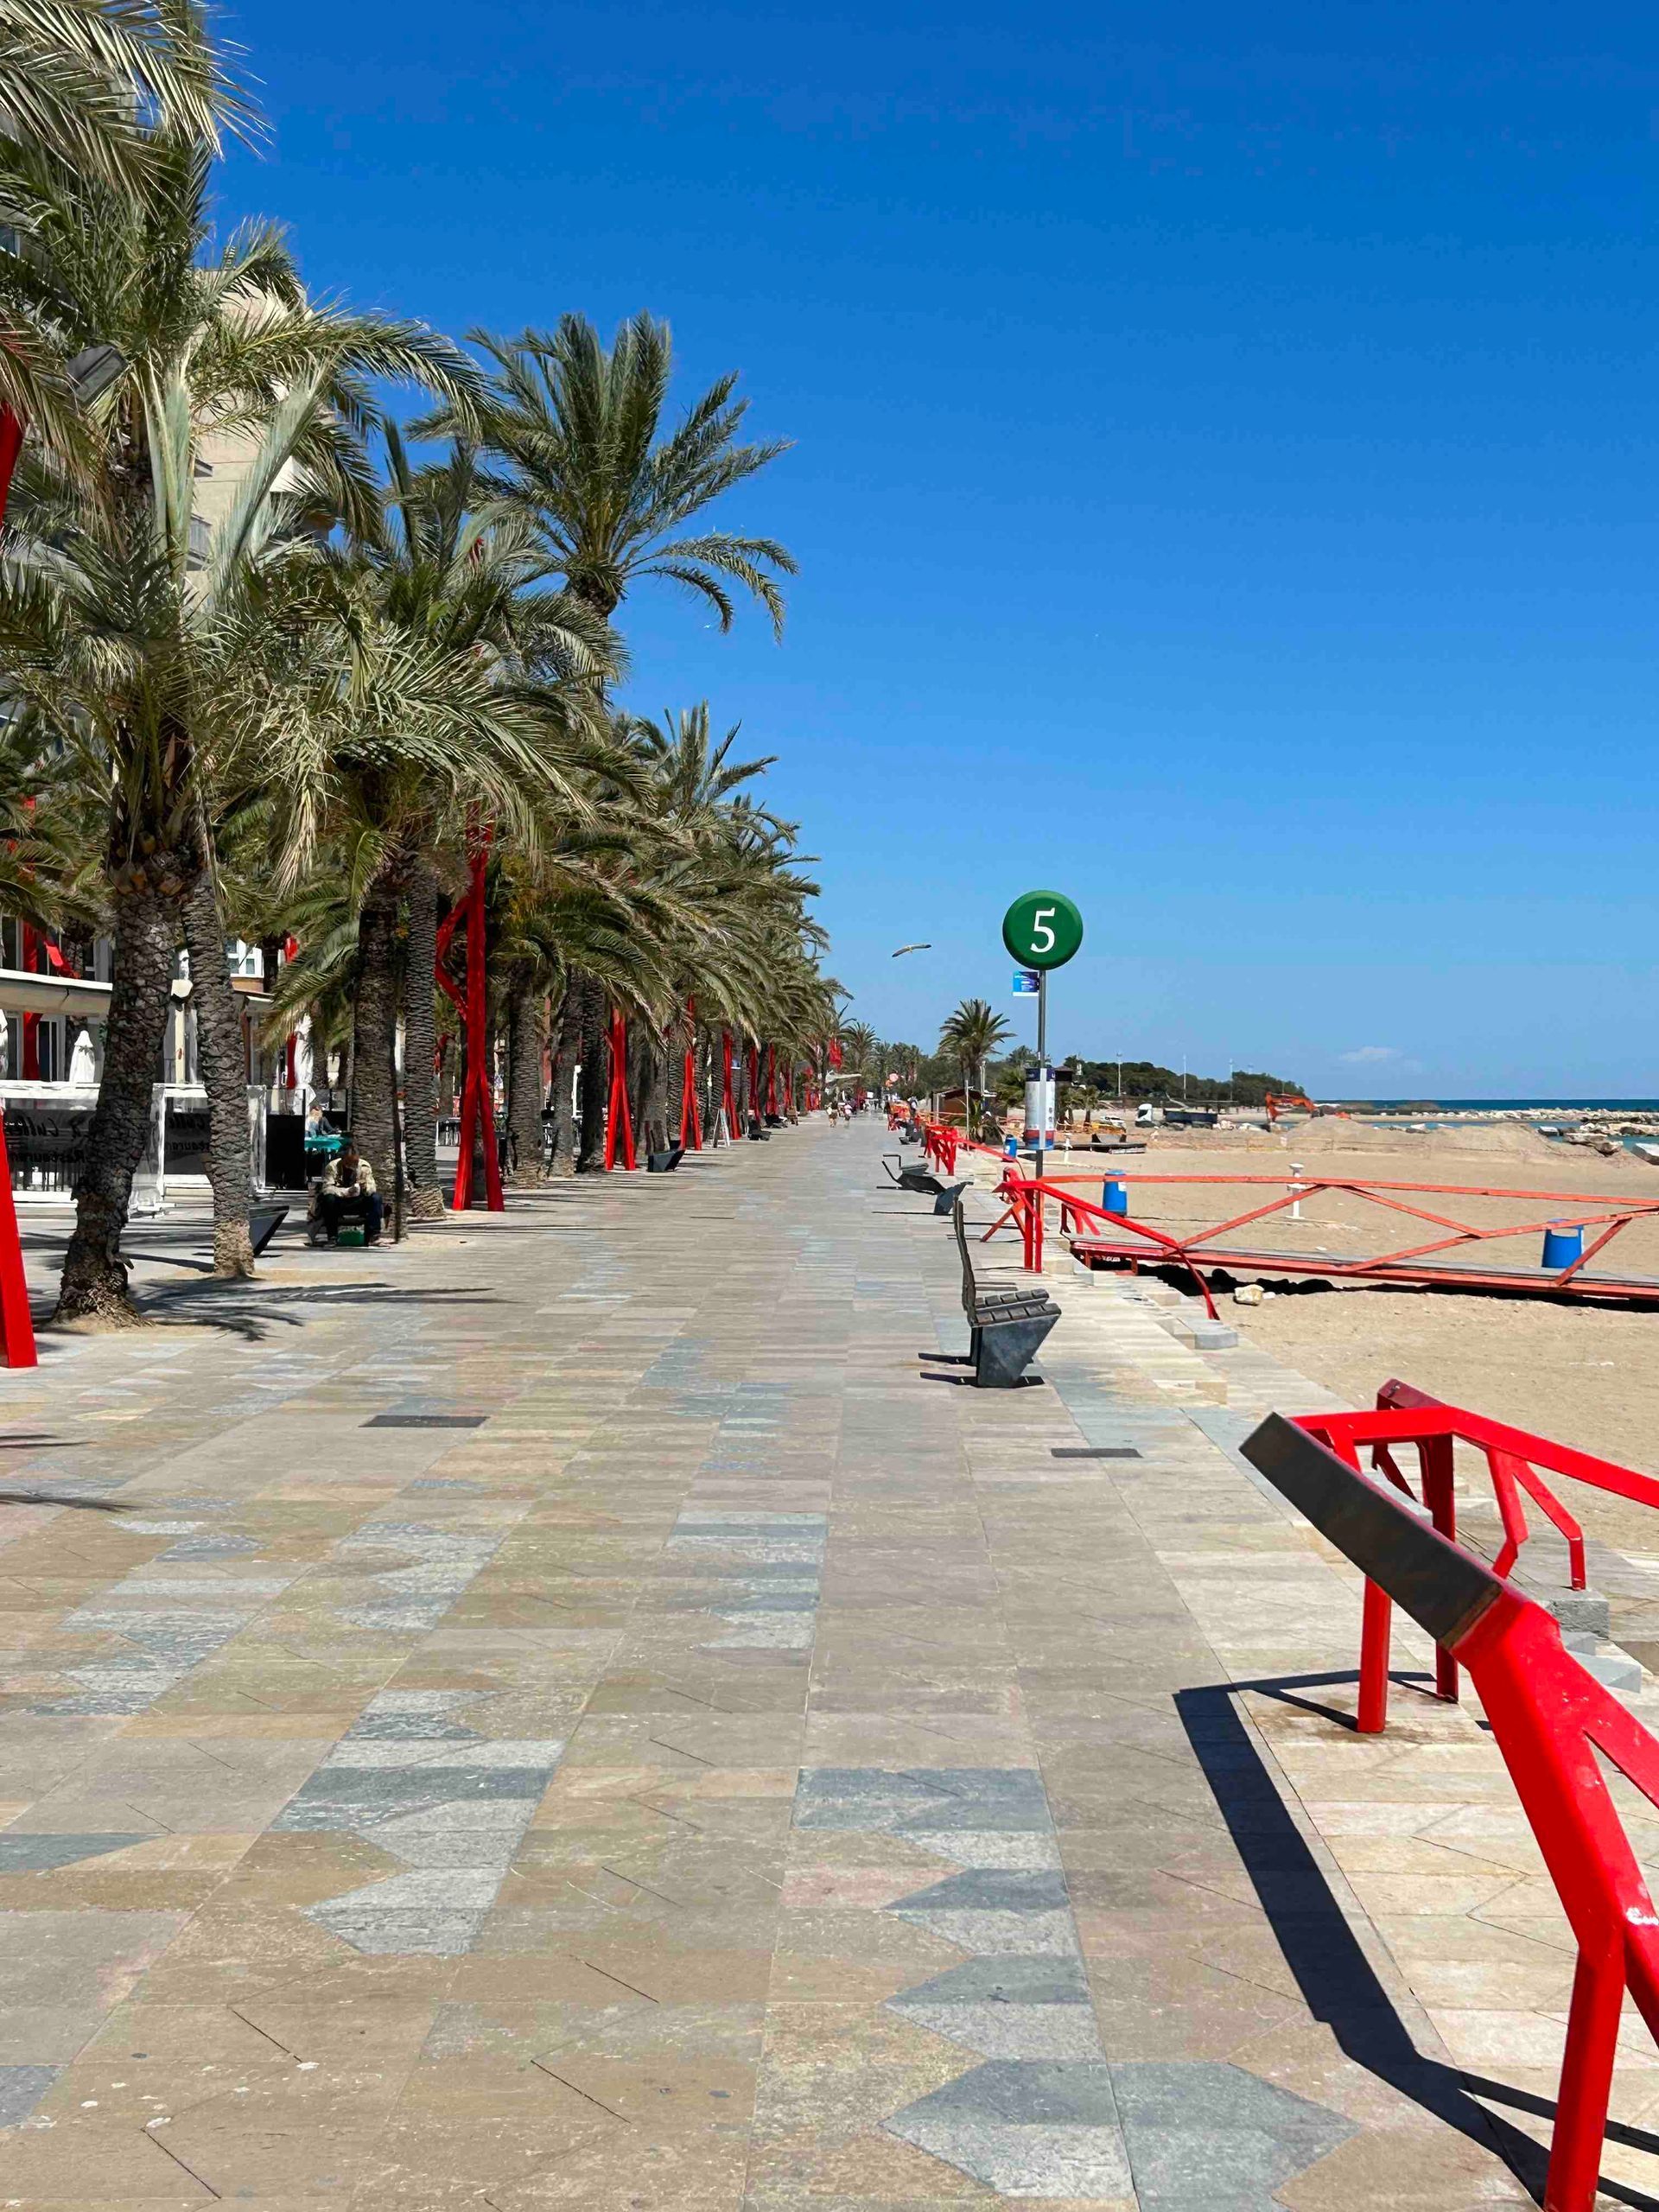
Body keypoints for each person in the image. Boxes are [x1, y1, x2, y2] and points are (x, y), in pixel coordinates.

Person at [312, 1138, 383, 1244]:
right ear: (343, 1159)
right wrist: (347, 1191)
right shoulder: (332, 1167)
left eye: (355, 1162)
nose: (353, 1165)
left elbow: (372, 1188)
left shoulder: (364, 1166)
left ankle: (374, 1236)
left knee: (376, 1198)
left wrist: (365, 1188)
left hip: (358, 1201)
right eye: (349, 1162)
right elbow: (327, 1188)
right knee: (328, 1198)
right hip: (340, 1201)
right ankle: (332, 1237)